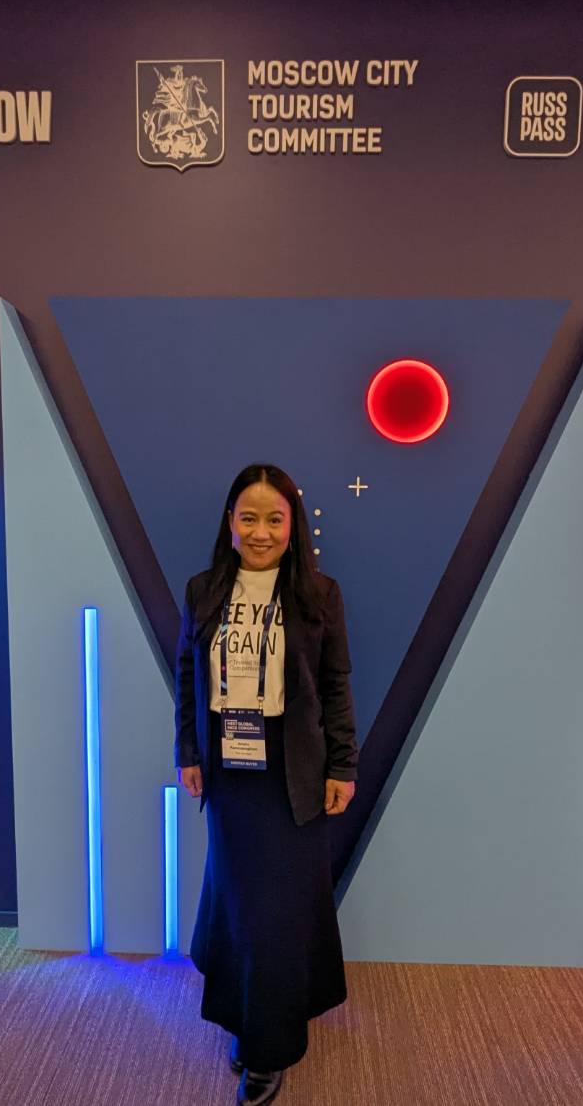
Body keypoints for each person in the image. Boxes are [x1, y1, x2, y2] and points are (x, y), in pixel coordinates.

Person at [174, 462, 359, 1106]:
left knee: (279, 915)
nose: (260, 532)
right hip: (230, 770)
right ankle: (249, 1023)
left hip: (293, 772)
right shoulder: (203, 591)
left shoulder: (319, 595)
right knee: (239, 907)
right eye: (247, 518)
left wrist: (343, 766)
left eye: (273, 519)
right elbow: (188, 678)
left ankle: (268, 1051)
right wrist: (188, 752)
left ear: (292, 526)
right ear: (229, 523)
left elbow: (335, 686)